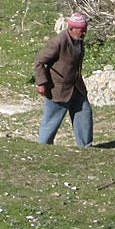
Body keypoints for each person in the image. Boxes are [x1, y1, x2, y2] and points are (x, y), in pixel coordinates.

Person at [34, 12, 93, 147]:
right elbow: (39, 61)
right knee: (51, 121)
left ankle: (86, 147)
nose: (84, 33)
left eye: (85, 30)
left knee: (84, 114)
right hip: (58, 89)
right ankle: (43, 148)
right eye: (81, 30)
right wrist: (42, 83)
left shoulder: (78, 41)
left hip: (76, 87)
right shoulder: (59, 41)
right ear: (71, 29)